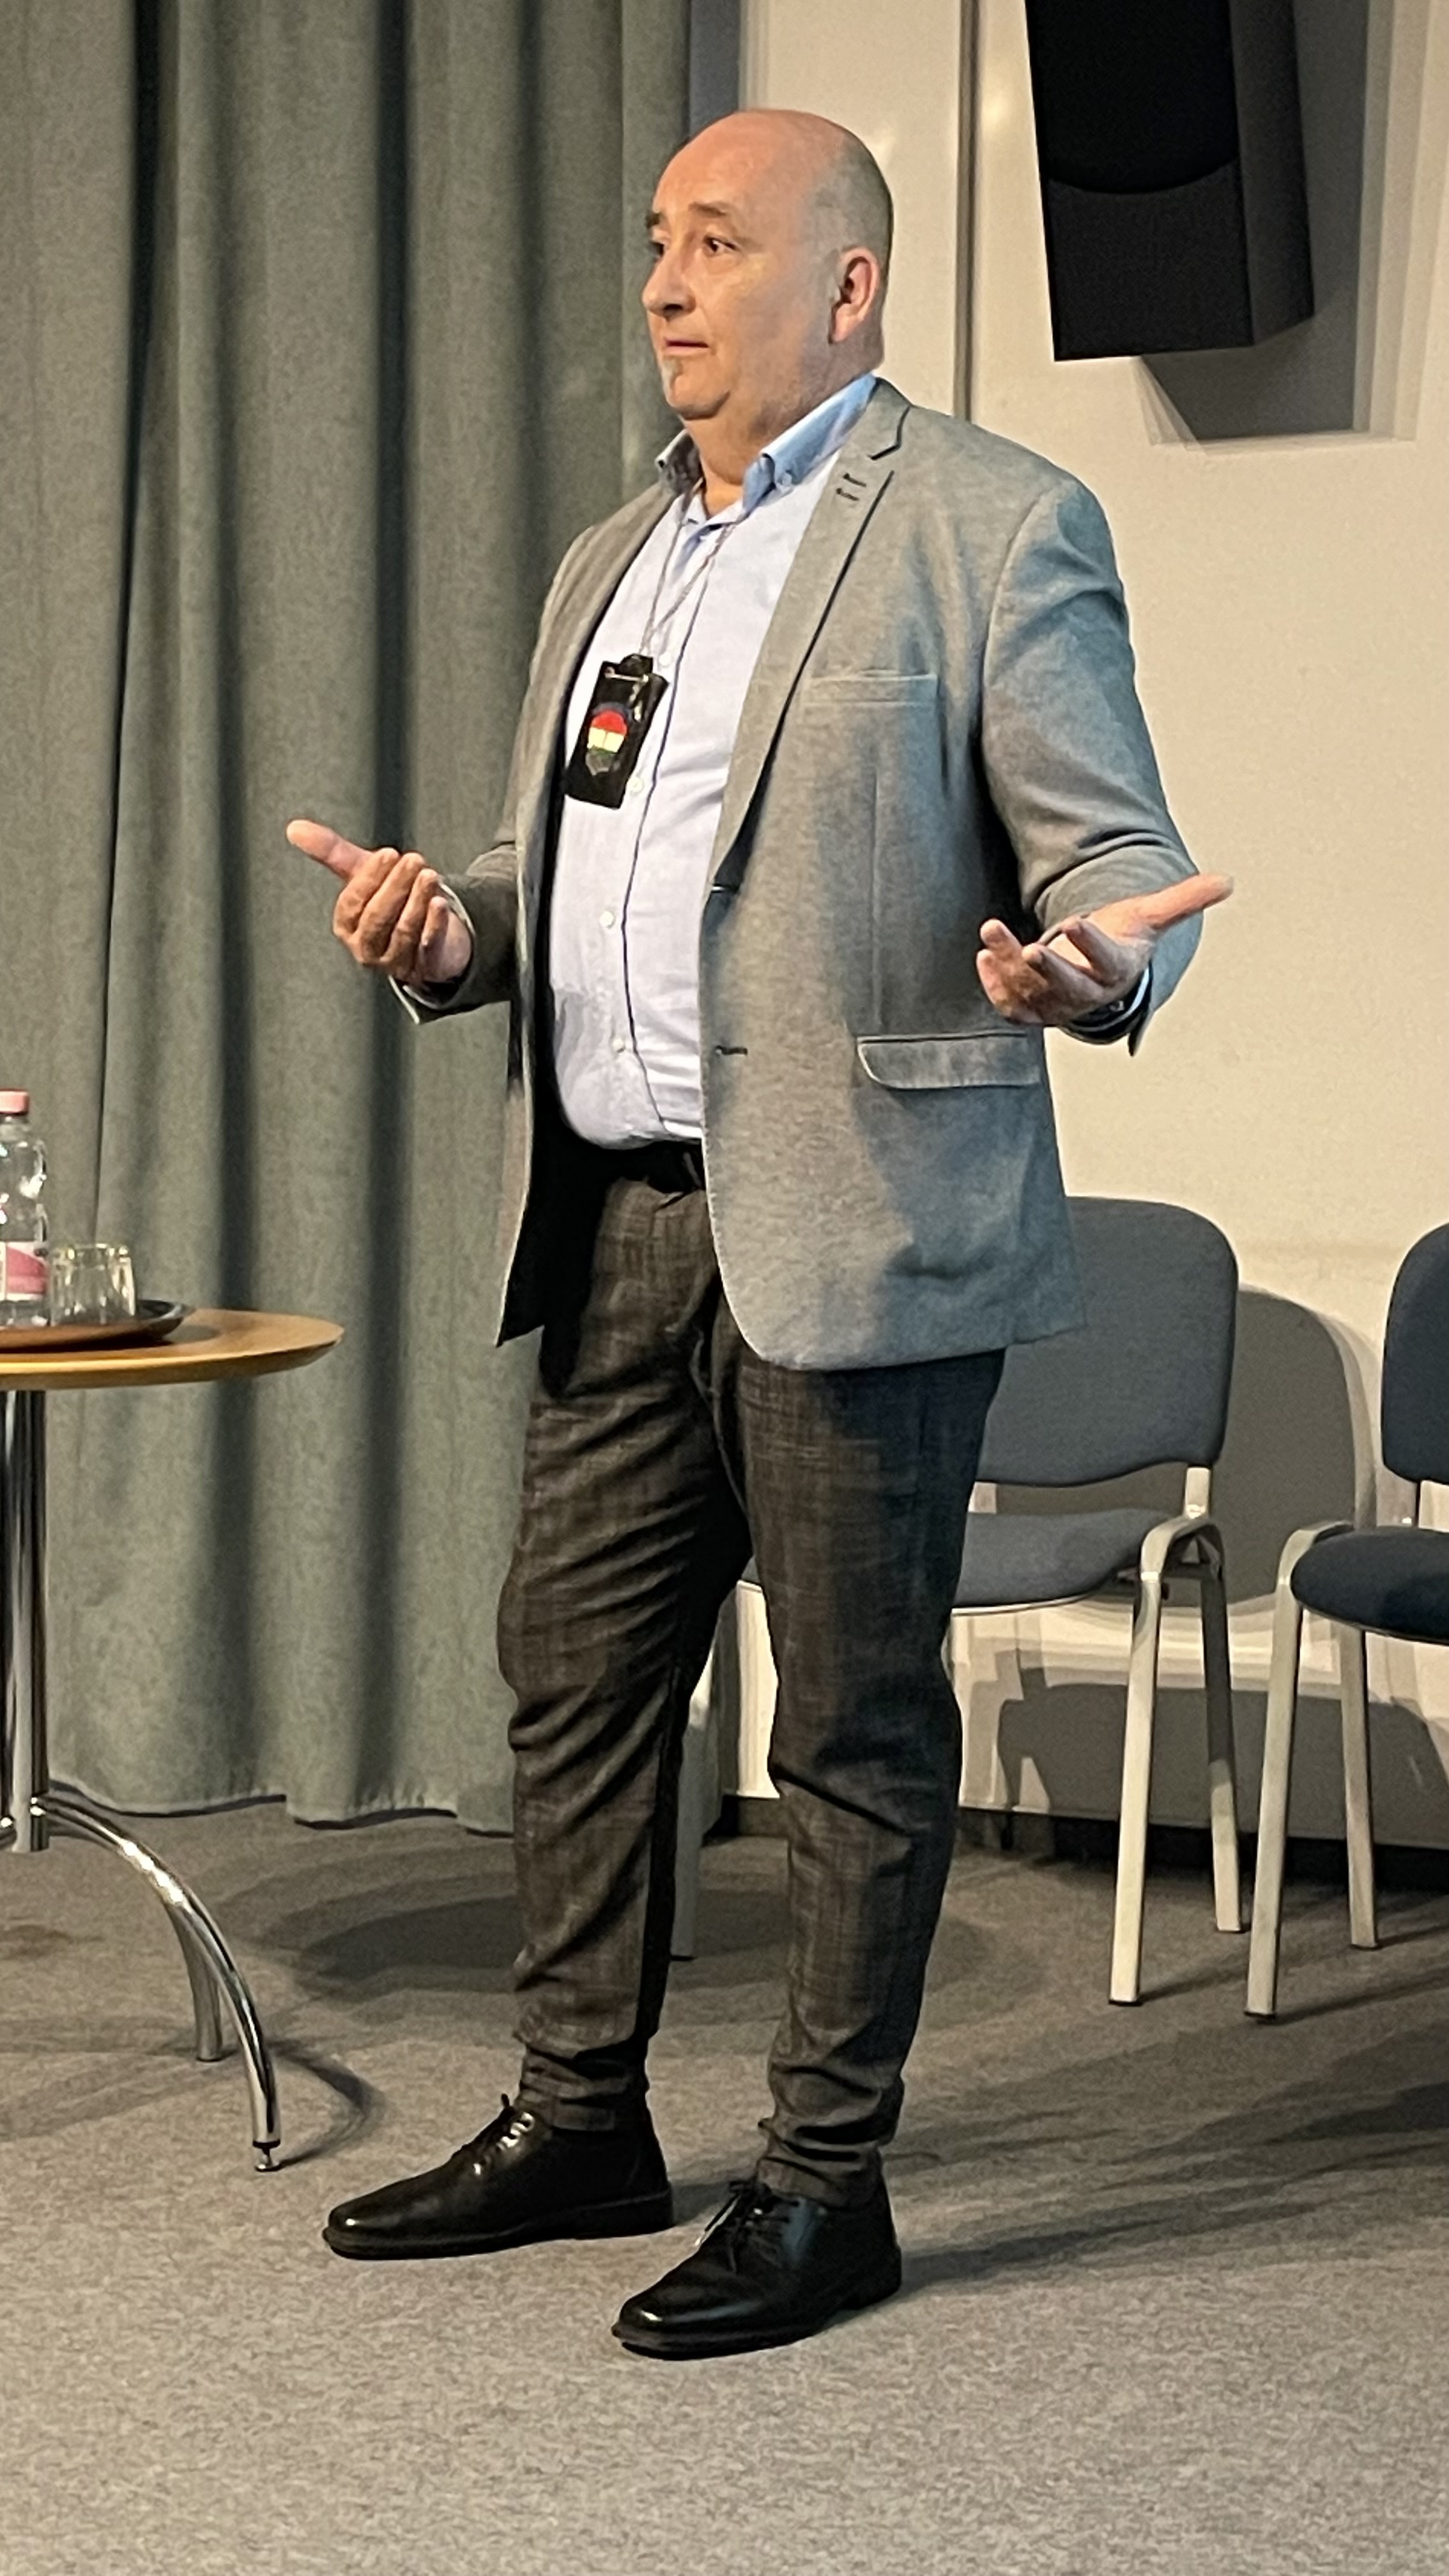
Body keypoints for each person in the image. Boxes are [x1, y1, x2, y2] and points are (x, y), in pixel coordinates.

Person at [289, 107, 1229, 2361]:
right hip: (613, 1213)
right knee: (574, 1684)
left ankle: (824, 2184)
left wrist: (1092, 969)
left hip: (860, 1224)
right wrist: (450, 933)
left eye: (714, 242)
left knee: (850, 1729)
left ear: (847, 282)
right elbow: (573, 877)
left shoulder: (993, 522)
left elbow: (1116, 860)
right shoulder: (612, 560)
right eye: (654, 242)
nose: (663, 284)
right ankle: (579, 2116)